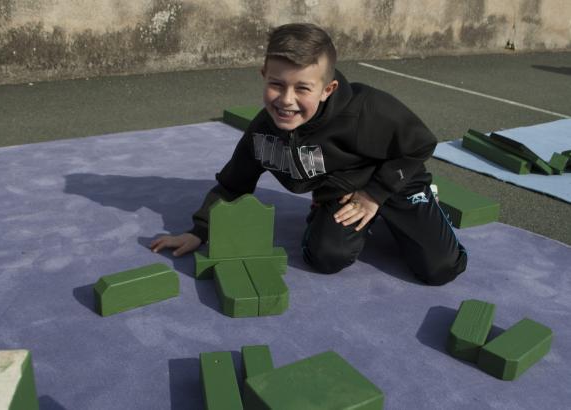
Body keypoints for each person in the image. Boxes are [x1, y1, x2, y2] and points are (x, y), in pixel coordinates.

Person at [150, 23, 467, 285]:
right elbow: (234, 184)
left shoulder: (367, 109)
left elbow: (421, 143)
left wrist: (375, 195)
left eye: (303, 88)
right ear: (264, 75)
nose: (286, 100)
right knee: (326, 257)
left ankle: (422, 209)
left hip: (395, 183)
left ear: (327, 89)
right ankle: (338, 215)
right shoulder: (263, 133)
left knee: (440, 270)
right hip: (340, 193)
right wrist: (200, 231)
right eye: (277, 84)